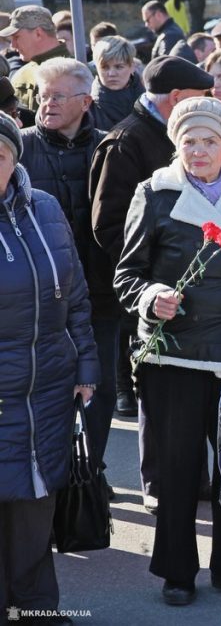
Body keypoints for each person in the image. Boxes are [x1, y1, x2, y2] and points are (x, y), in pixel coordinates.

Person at [114, 97, 221, 605]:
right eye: (189, 140)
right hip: (174, 358)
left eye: (210, 140)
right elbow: (126, 274)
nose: (199, 149)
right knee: (178, 467)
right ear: (176, 145)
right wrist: (150, 298)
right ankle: (177, 571)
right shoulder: (155, 193)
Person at [90, 56, 214, 509]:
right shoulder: (126, 140)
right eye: (201, 101)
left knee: (190, 389)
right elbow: (107, 227)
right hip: (148, 291)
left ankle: (193, 477)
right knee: (156, 389)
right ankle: (161, 483)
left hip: (189, 287)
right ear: (178, 100)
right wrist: (155, 271)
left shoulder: (169, 135)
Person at [0, 111, 99, 620]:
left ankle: (37, 606)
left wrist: (86, 366)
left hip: (48, 386)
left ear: (14, 158)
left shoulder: (44, 208)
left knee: (36, 503)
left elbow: (76, 296)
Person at [21, 58, 113, 469]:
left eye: (59, 96)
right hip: (39, 293)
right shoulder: (20, 148)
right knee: (44, 385)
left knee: (100, 384)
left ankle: (91, 473)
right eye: (43, 96)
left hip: (101, 290)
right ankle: (48, 470)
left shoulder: (110, 148)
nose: (48, 104)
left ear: (86, 101)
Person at [1, 6, 72, 111]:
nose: (13, 45)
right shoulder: (21, 75)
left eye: (17, 37)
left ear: (38, 34)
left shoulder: (77, 71)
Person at [90, 36, 146, 131]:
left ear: (132, 67)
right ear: (97, 68)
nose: (111, 74)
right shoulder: (89, 108)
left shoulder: (148, 102)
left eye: (119, 67)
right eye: (105, 67)